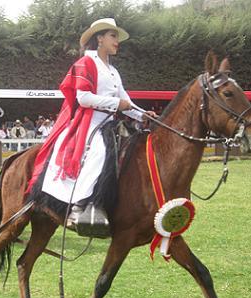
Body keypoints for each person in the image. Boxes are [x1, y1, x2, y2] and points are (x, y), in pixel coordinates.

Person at [26, 18, 157, 224]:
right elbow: (83, 98)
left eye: (117, 37)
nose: (117, 41)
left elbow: (127, 102)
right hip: (90, 121)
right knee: (100, 151)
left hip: (110, 123)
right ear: (100, 38)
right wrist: (116, 104)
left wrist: (143, 115)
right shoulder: (86, 62)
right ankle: (79, 205)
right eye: (113, 36)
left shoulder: (113, 71)